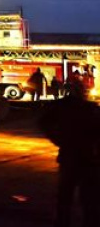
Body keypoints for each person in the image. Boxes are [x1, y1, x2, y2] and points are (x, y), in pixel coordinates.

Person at [39, 80, 100, 227]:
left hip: (73, 156)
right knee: (86, 198)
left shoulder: (61, 106)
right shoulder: (88, 108)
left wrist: (57, 139)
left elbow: (43, 122)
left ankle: (63, 221)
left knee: (66, 196)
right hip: (86, 157)